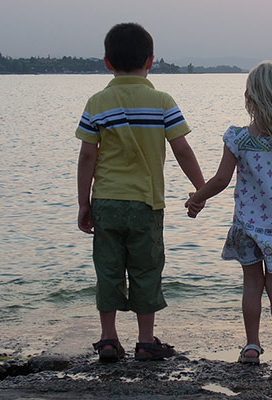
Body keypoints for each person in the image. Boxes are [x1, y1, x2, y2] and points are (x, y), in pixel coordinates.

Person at [76, 22, 205, 362]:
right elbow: (182, 150)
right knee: (146, 269)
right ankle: (146, 341)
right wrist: (201, 189)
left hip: (106, 201)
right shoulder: (161, 101)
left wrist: (83, 203)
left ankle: (108, 339)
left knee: (108, 269)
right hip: (146, 204)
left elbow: (87, 155)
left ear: (107, 62)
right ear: (151, 61)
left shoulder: (97, 101)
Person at [185, 61, 272, 368]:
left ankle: (251, 346)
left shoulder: (238, 138)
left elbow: (220, 180)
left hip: (246, 226)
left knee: (250, 285)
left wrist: (197, 198)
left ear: (249, 96)